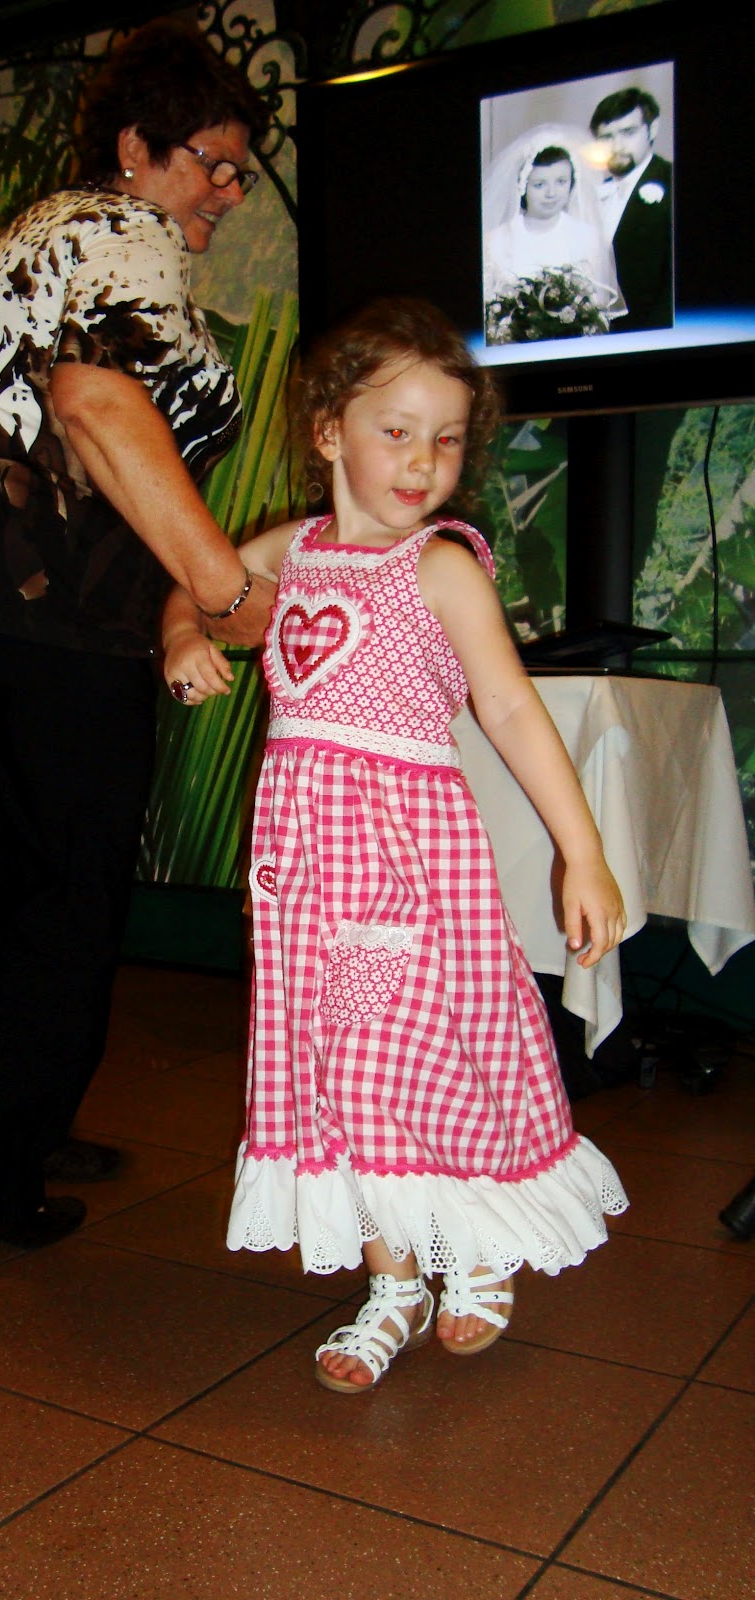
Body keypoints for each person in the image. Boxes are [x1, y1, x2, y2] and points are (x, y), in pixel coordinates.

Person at [163, 298, 629, 1392]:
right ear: (329, 431)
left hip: (409, 870)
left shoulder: (441, 566)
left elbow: (509, 708)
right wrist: (184, 635)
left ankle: (472, 1249)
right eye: (397, 431)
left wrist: (583, 851)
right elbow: (194, 582)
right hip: (306, 876)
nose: (424, 460)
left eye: (448, 438)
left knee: (419, 1059)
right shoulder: (289, 552)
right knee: (336, 1075)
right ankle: (394, 1281)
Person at [0, 18, 276, 1263]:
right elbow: (95, 400)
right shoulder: (118, 229)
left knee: (44, 876)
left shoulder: (52, 237)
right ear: (137, 148)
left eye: (240, 172)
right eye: (211, 162)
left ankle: (24, 1125)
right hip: (39, 608)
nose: (227, 192)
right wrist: (221, 584)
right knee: (73, 897)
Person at [481, 130, 621, 341]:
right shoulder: (496, 241)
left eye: (561, 182)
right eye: (539, 184)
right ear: (522, 185)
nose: (551, 193)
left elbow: (596, 309)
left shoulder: (586, 238)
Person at [590, 87, 673, 333]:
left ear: (652, 129)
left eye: (628, 133)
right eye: (606, 137)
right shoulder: (591, 195)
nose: (616, 146)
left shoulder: (672, 182)